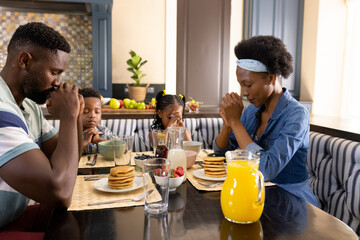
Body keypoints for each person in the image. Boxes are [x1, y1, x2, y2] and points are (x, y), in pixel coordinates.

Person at [0, 22, 83, 237]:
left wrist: (76, 115)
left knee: (84, 220)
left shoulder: (29, 107)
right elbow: (60, 191)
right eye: (54, 72)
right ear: (24, 61)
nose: (58, 83)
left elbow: (68, 161)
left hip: (13, 216)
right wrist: (68, 116)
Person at [213, 35, 318, 206]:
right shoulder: (251, 111)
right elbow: (220, 155)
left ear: (271, 78)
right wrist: (228, 125)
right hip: (256, 196)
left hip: (291, 201)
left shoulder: (296, 115)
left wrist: (236, 123)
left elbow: (265, 169)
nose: (244, 93)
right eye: (241, 85)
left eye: (248, 84)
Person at [79, 87, 113, 154]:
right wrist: (85, 141)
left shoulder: (103, 131)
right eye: (86, 111)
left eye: (97, 112)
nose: (92, 115)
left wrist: (98, 140)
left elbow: (124, 148)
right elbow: (65, 158)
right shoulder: (70, 133)